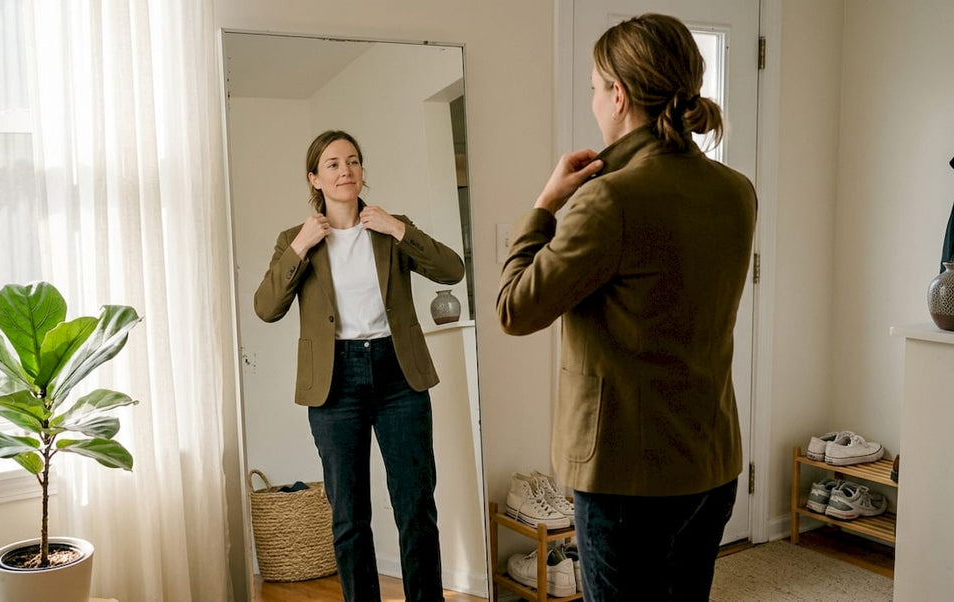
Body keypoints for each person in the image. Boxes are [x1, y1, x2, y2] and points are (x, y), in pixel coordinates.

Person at [496, 13, 757, 601]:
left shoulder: (609, 199)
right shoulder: (736, 190)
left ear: (618, 94)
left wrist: (543, 206)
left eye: (594, 87)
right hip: (711, 464)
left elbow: (514, 308)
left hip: (626, 481)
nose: (592, 100)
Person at [255, 130, 464, 601]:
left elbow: (452, 270)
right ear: (315, 178)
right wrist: (299, 249)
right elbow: (266, 308)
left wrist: (399, 229)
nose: (345, 170)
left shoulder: (391, 228)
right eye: (332, 163)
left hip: (398, 375)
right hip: (335, 384)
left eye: (353, 161)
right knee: (349, 515)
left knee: (415, 506)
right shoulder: (295, 239)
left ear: (362, 172)